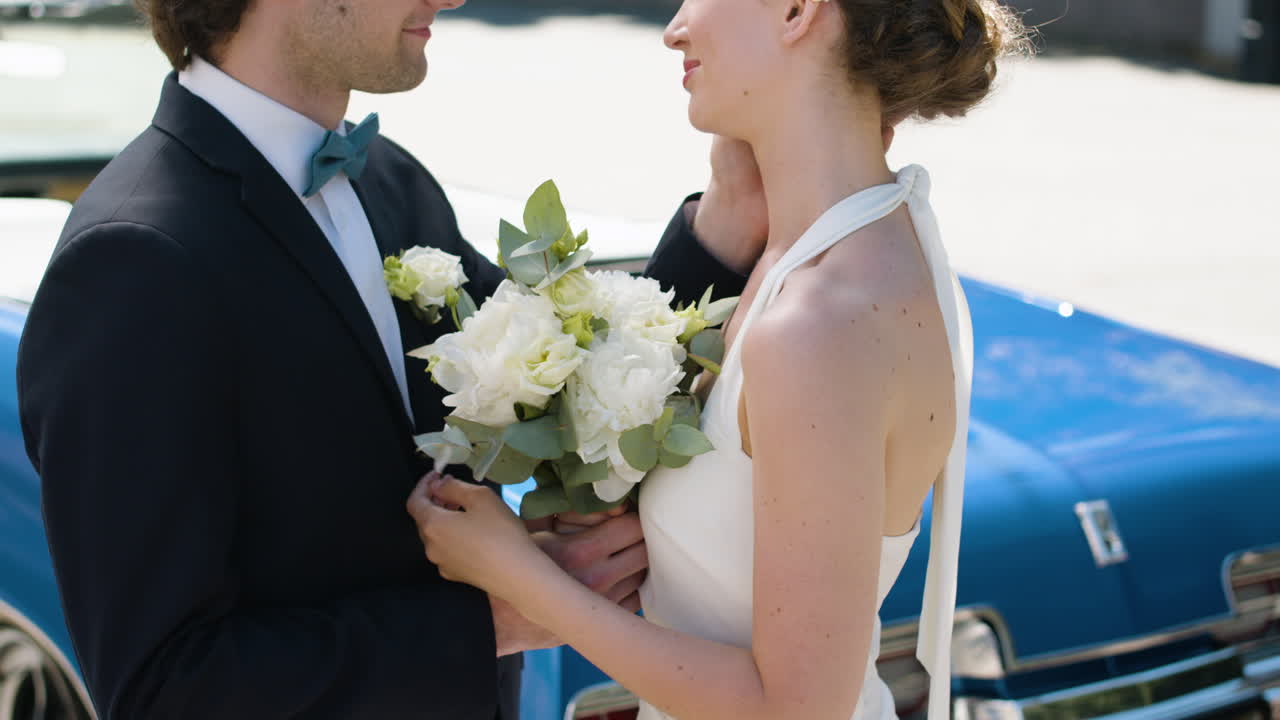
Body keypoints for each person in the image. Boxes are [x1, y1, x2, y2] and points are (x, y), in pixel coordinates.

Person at [14, 0, 764, 717]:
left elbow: (572, 389)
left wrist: (728, 217)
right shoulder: (135, 263)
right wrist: (499, 620)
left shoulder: (386, 179)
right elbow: (162, 688)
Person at [409, 0, 1026, 718]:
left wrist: (517, 576)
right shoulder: (863, 239)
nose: (674, 28)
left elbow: (794, 708)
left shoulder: (820, 320)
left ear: (797, 10)